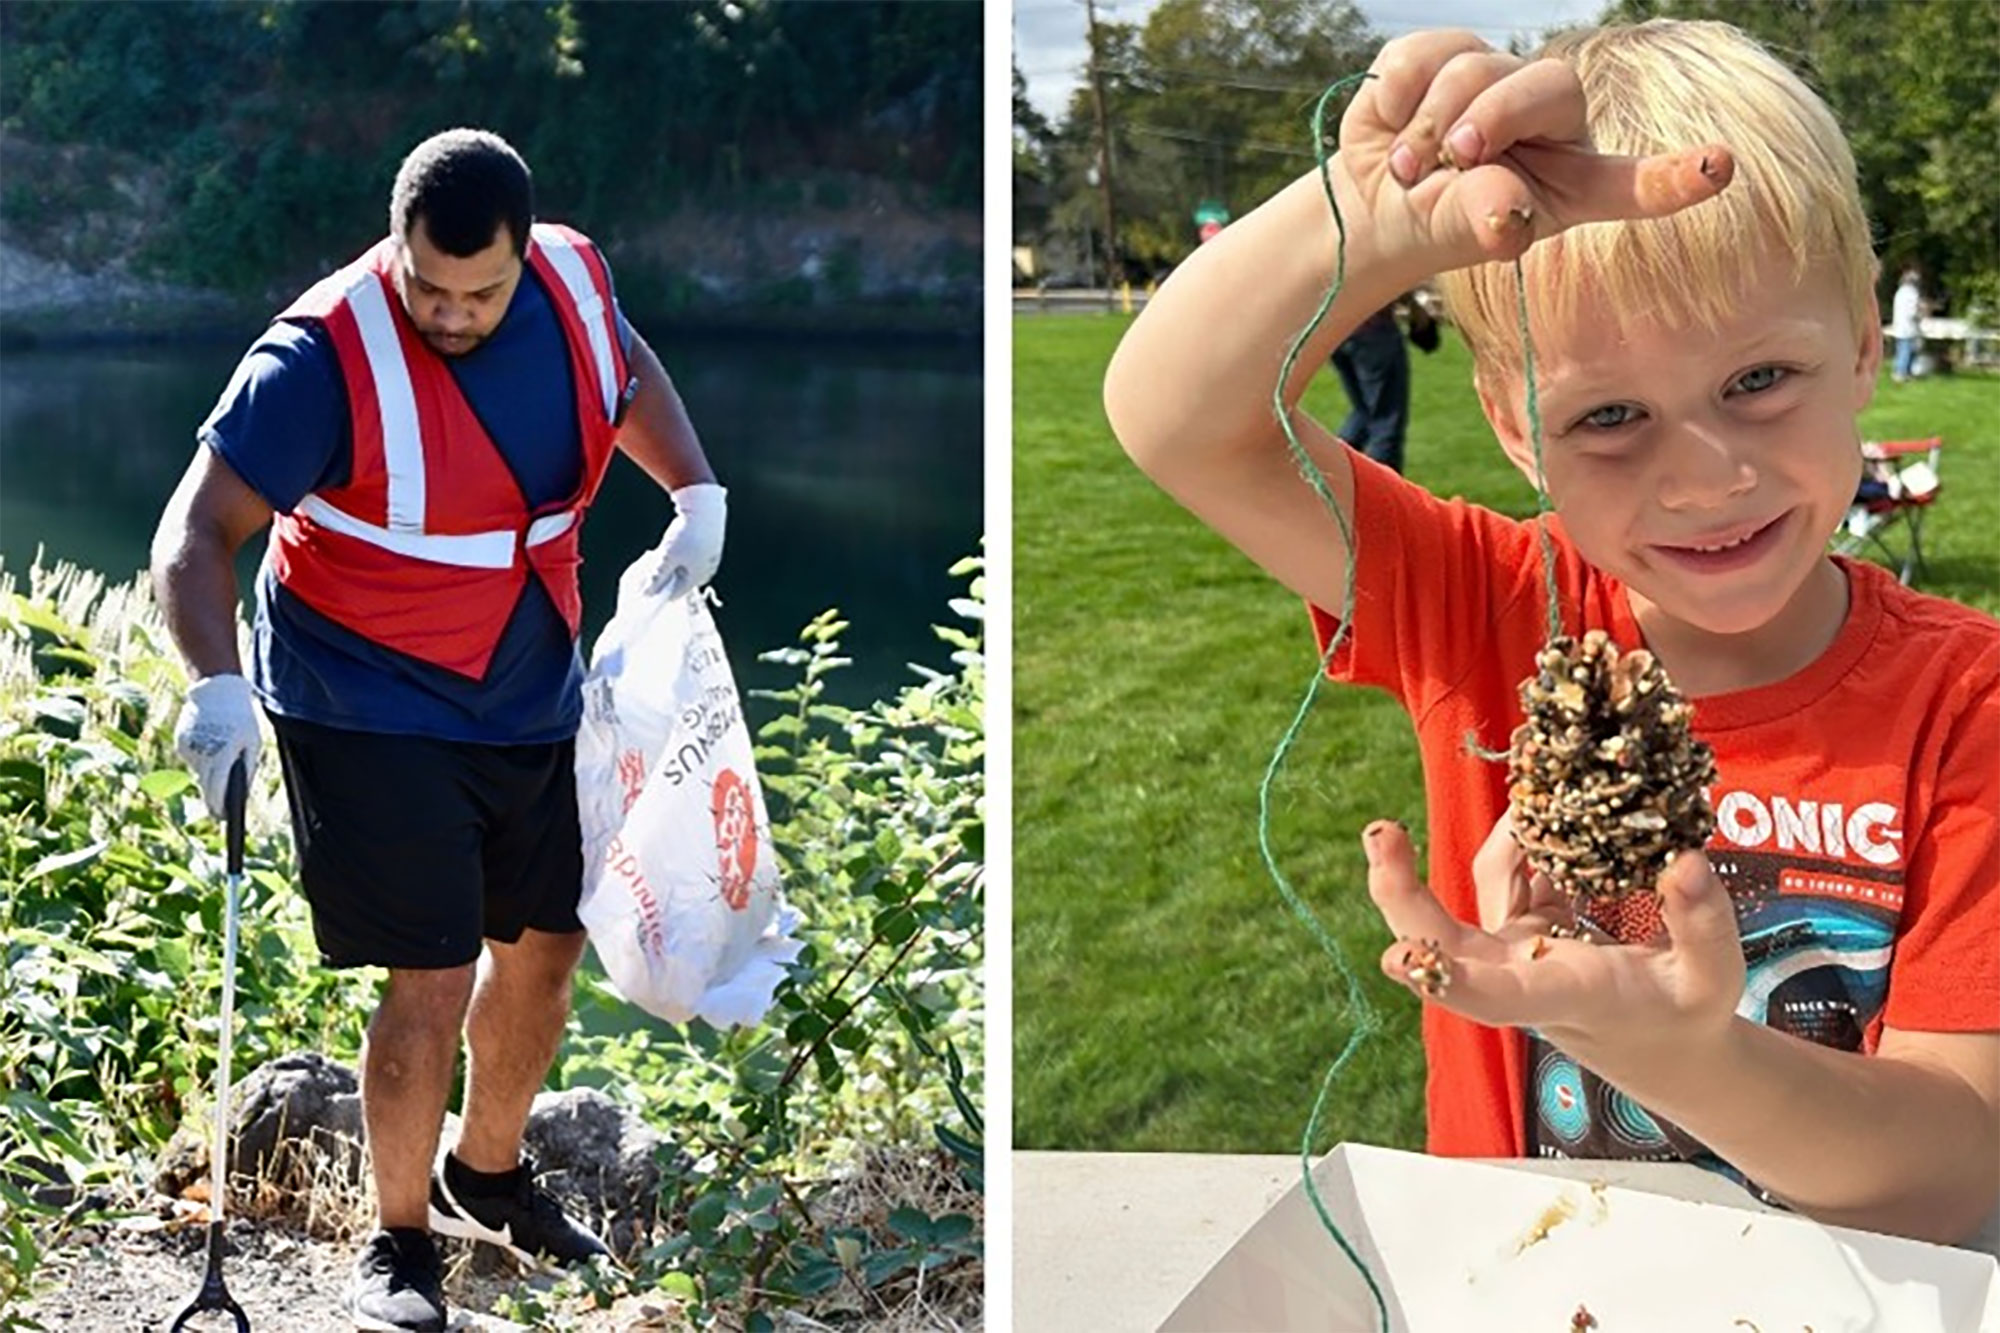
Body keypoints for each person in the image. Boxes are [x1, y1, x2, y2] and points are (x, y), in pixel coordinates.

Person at [1106, 21, 1997, 1245]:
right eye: (1609, 414)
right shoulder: (1485, 601)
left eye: (1755, 381)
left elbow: (1959, 1163)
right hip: (1519, 1282)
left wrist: (1679, 1054)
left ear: (1855, 349)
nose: (1701, 478)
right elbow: (1176, 417)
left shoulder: (1969, 705)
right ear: (1515, 427)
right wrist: (1372, 218)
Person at [152, 128, 725, 1331]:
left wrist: (693, 487)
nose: (452, 313)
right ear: (395, 244)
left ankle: (490, 1171)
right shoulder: (316, 357)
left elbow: (624, 370)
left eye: (480, 291)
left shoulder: (569, 276)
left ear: (524, 253)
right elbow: (194, 533)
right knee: (433, 969)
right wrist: (215, 685)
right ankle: (399, 1242)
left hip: (525, 676)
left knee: (546, 944)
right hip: (364, 694)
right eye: (428, 287)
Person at [1328, 294, 1438, 474]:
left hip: (1337, 332)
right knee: (1387, 419)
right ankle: (1386, 491)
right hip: (1374, 331)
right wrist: (1417, 308)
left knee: (1363, 411)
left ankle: (1331, 470)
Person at [1890, 265, 1923, 383]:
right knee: (1906, 350)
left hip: (1900, 326)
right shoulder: (1911, 293)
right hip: (1908, 327)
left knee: (1903, 350)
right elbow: (1912, 312)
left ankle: (1905, 372)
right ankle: (1900, 373)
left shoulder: (1900, 292)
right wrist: (1920, 314)